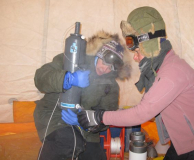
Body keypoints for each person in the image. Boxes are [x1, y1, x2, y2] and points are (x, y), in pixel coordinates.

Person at [76, 6, 194, 160]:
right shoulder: (164, 68)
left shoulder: (172, 72)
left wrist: (100, 116)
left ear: (148, 46)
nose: (136, 58)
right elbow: (145, 106)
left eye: (137, 52)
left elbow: (141, 113)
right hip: (185, 144)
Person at [33, 30, 131, 160]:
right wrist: (68, 79)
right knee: (69, 142)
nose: (105, 69)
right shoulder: (72, 58)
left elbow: (106, 117)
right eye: (105, 63)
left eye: (111, 68)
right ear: (98, 54)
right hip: (55, 115)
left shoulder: (111, 86)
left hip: (85, 129)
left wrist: (85, 121)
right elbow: (40, 78)